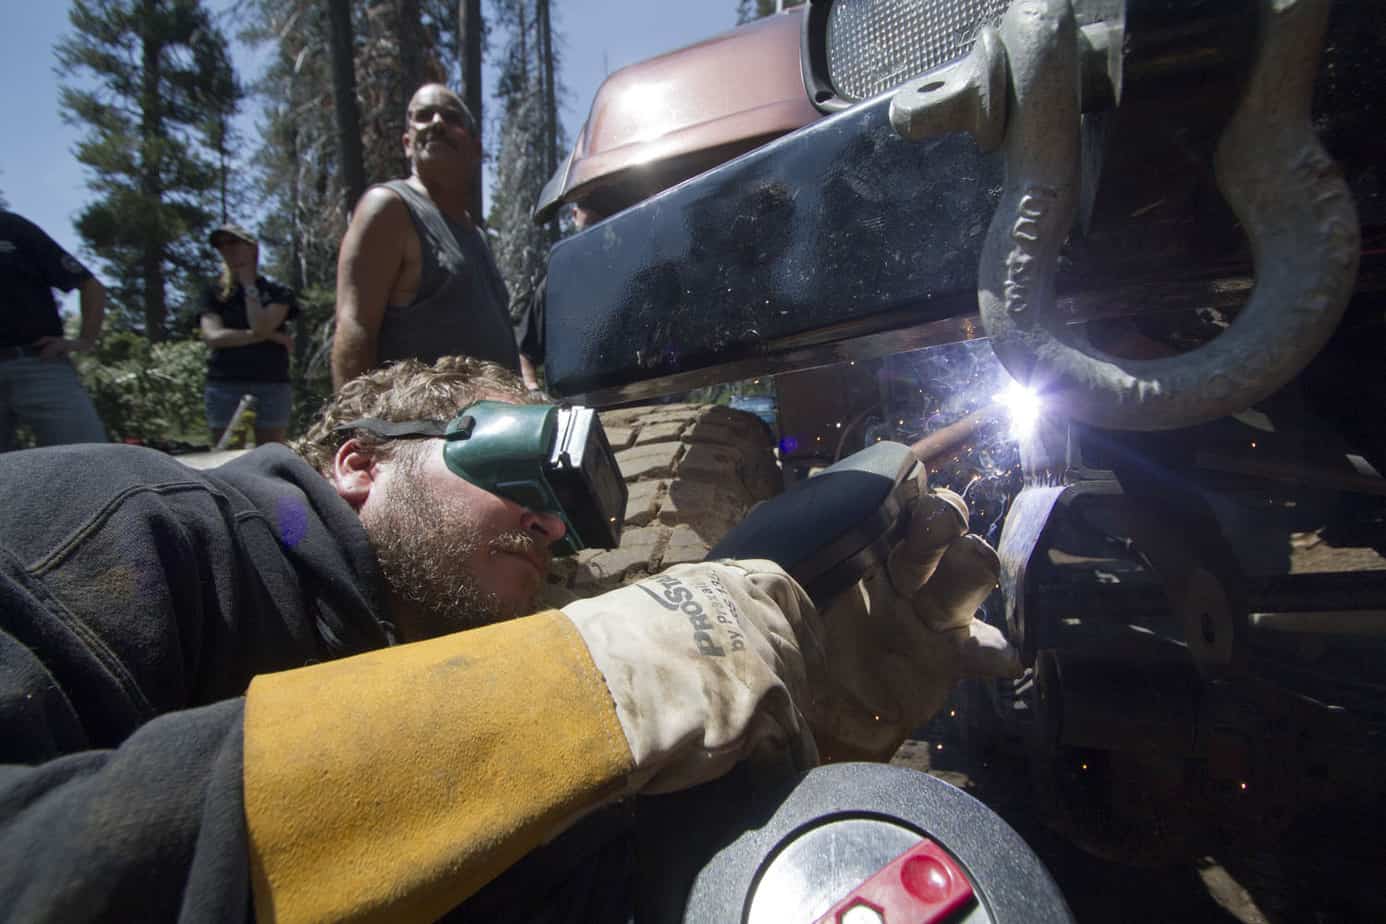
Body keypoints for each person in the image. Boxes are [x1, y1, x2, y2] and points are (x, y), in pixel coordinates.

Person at [0, 355, 1019, 921]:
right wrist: (576, 692)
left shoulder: (397, 664)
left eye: (570, 513)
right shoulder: (136, 524)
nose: (549, 526)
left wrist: (795, 760)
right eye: (527, 471)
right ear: (359, 463)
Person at [332, 83, 517, 390]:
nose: (437, 123)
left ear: (476, 149)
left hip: (491, 416)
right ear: (407, 143)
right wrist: (353, 417)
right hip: (422, 418)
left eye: (452, 118)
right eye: (423, 116)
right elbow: (355, 329)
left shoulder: (477, 236)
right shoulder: (390, 208)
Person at [0, 209, 107, 450]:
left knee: (90, 460)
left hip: (39, 363)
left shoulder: (11, 227)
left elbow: (91, 286)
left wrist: (85, 341)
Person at [199, 223, 299, 446]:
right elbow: (213, 337)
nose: (227, 249)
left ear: (252, 247)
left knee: (270, 452)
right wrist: (273, 336)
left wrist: (249, 286)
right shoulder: (214, 293)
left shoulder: (278, 292)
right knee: (227, 453)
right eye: (221, 245)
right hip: (225, 384)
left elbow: (260, 327)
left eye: (233, 242)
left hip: (272, 382)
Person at [513, 205, 604, 392]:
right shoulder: (555, 281)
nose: (595, 209)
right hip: (573, 397)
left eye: (600, 202)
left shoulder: (628, 267)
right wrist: (533, 391)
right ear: (574, 214)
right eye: (587, 203)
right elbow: (525, 353)